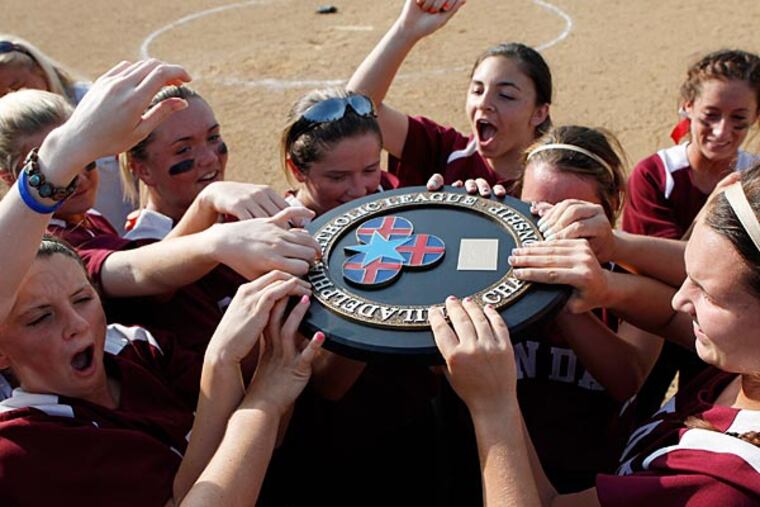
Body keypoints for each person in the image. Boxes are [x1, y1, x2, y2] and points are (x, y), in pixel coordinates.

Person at [0, 58, 324, 507]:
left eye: (83, 299)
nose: (77, 324)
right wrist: (248, 386)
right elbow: (139, 270)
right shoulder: (22, 448)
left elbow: (196, 473)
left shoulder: (130, 346)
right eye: (40, 318)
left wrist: (267, 362)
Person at [431, 162, 760, 506]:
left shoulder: (720, 489)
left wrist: (494, 405)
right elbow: (666, 316)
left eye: (708, 294)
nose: (679, 298)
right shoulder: (744, 357)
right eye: (686, 275)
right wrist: (612, 255)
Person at [0, 88, 320, 356]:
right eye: (183, 149)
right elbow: (140, 274)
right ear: (142, 169)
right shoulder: (48, 246)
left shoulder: (90, 221)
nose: (80, 177)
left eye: (85, 159)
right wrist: (211, 216)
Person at [623, 49, 760, 420]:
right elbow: (668, 272)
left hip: (722, 330)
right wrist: (711, 210)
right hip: (659, 319)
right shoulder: (655, 174)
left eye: (740, 120)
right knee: (638, 410)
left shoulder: (753, 179)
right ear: (687, 107)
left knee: (703, 415)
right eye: (710, 116)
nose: (722, 132)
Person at [347, 0, 551, 194]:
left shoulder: (555, 176)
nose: (484, 103)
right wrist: (406, 30)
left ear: (539, 113)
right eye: (477, 91)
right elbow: (356, 110)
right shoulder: (445, 152)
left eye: (506, 95)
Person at [0, 33, 136, 231]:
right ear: (8, 177)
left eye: (16, 88)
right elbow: (123, 262)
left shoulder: (92, 102)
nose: (7, 101)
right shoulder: (59, 239)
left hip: (114, 224)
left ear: (40, 71)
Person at [119, 85, 291, 239]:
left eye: (213, 137)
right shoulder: (142, 250)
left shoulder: (245, 214)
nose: (210, 158)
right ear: (144, 171)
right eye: (183, 149)